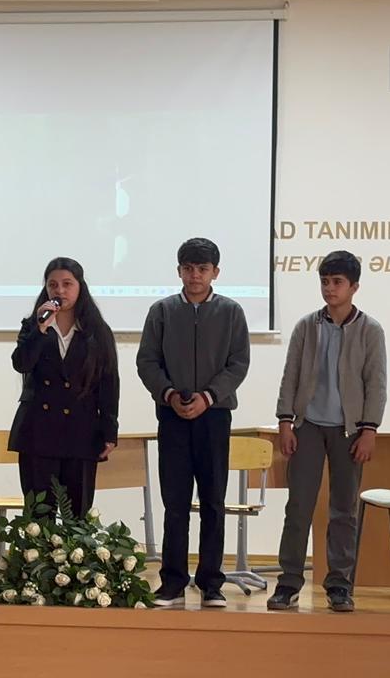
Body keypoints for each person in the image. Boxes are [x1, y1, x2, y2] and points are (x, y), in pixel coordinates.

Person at [267, 250, 386, 613]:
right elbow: (290, 375)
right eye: (324, 281)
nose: (330, 288)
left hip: (349, 432)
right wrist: (285, 421)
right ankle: (288, 582)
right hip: (308, 428)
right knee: (298, 507)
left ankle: (339, 584)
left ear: (354, 287)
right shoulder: (307, 327)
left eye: (337, 282)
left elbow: (376, 383)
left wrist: (369, 429)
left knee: (344, 510)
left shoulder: (370, 330)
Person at [137, 237, 250, 609]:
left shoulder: (231, 312)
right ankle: (172, 582)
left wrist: (209, 397)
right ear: (179, 271)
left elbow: (238, 363)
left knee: (213, 501)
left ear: (215, 272)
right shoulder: (162, 311)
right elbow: (147, 362)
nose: (195, 275)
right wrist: (169, 394)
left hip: (214, 417)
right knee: (175, 502)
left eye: (202, 269)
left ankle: (211, 582)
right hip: (173, 416)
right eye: (188, 268)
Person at [8, 257, 120, 516]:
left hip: (81, 429)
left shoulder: (97, 331)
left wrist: (109, 430)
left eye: (67, 284)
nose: (59, 290)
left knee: (77, 515)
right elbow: (21, 364)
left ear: (80, 287)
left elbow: (109, 382)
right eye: (53, 285)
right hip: (38, 429)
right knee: (39, 515)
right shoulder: (34, 325)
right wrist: (40, 329)